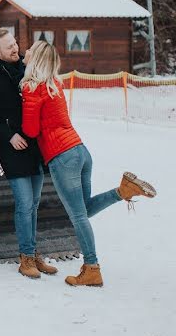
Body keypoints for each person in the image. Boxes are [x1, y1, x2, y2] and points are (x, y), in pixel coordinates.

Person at [20, 40, 157, 287]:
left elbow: (30, 130)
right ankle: (123, 191)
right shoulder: (55, 85)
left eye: (29, 49)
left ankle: (92, 267)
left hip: (62, 157)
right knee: (83, 210)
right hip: (81, 151)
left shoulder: (33, 88)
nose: (25, 51)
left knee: (78, 216)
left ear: (36, 58)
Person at [0, 28, 55, 279]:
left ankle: (33, 251)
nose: (15, 48)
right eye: (8, 46)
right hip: (13, 147)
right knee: (24, 203)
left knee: (34, 204)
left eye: (15, 43)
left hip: (35, 146)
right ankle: (26, 257)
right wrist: (8, 134)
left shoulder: (27, 69)